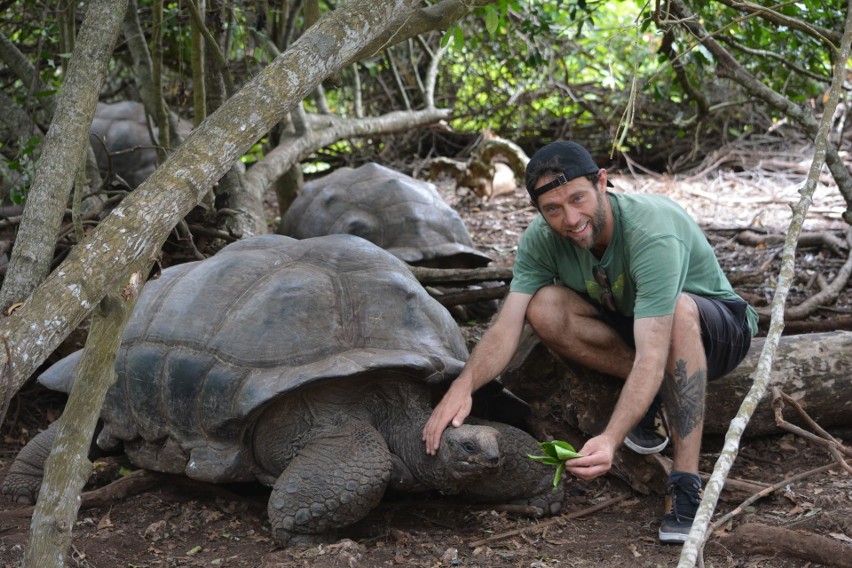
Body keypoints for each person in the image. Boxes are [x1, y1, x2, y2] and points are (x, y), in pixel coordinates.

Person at [422, 140, 757, 543]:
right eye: (554, 210)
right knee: (542, 306)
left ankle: (686, 482)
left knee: (681, 312)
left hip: (715, 329)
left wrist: (611, 438)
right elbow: (506, 325)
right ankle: (647, 398)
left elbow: (653, 351)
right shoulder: (541, 239)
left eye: (578, 199)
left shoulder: (650, 233)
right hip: (634, 322)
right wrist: (462, 387)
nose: (571, 219)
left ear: (602, 182)